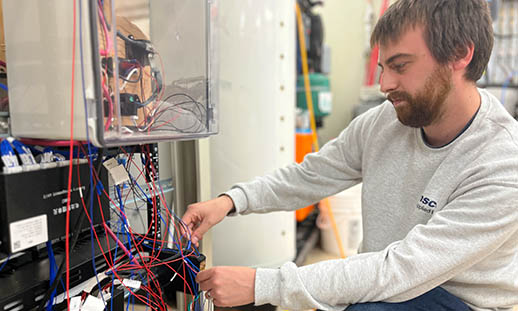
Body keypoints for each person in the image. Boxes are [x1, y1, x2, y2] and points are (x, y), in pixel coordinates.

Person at [182, 0, 518, 310]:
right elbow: (310, 175)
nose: (384, 84)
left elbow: (400, 270)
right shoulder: (384, 122)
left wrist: (263, 284)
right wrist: (230, 201)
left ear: (460, 54)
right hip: (389, 286)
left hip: (460, 301)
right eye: (382, 66)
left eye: (400, 66)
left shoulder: (501, 164)